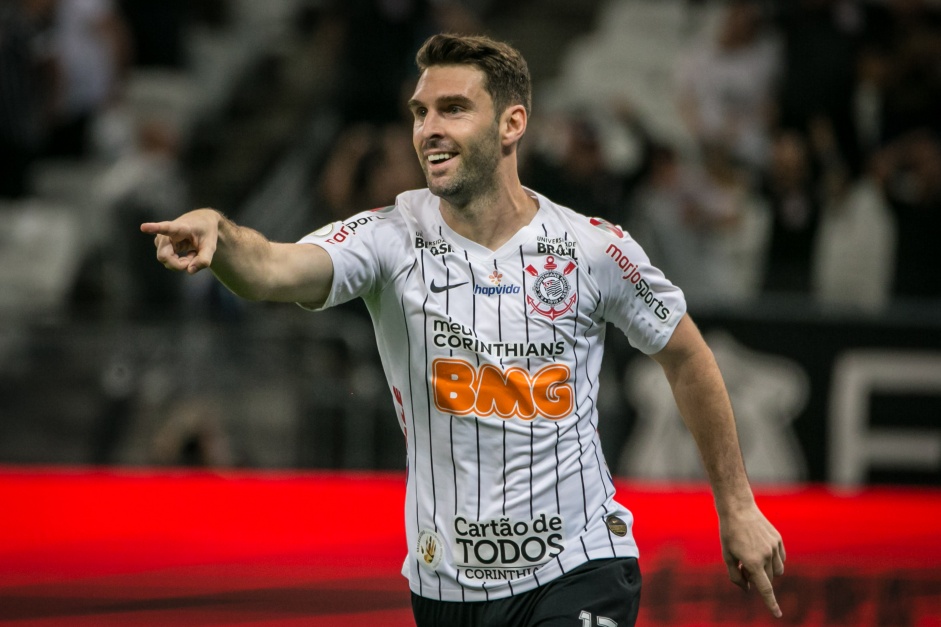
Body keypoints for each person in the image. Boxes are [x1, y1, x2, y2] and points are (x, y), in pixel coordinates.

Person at [142, 33, 786, 626]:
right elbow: (273, 269)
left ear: (513, 124)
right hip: (445, 588)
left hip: (581, 568)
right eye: (420, 113)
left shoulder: (591, 248)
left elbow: (686, 353)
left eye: (453, 109)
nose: (428, 130)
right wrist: (220, 233)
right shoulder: (389, 238)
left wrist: (736, 506)